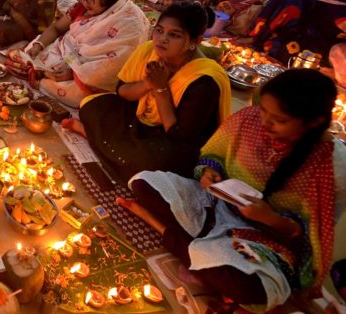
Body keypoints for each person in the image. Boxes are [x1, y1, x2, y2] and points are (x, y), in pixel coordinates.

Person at [123, 69, 344, 311]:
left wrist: (271, 219)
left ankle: (166, 231)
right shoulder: (249, 118)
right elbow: (211, 155)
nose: (265, 122)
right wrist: (208, 173)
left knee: (247, 287)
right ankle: (200, 251)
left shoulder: (333, 165)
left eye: (280, 120)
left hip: (265, 241)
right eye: (264, 111)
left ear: (314, 122)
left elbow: (313, 238)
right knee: (144, 183)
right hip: (216, 205)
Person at [64, 2, 231, 180]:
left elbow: (178, 135)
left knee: (153, 166)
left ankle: (92, 136)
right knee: (91, 105)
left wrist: (161, 90)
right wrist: (147, 84)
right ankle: (97, 139)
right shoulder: (149, 50)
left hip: (172, 140)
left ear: (195, 41)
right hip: (140, 118)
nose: (162, 39)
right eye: (159, 30)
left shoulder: (205, 80)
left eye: (174, 35)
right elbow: (121, 91)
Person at [14, 0, 149, 107]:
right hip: (65, 52)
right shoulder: (81, 7)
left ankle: (46, 80)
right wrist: (38, 45)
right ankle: (42, 74)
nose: (85, 3)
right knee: (29, 54)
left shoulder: (128, 19)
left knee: (78, 95)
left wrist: (72, 73)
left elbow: (112, 65)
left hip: (89, 74)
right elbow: (56, 28)